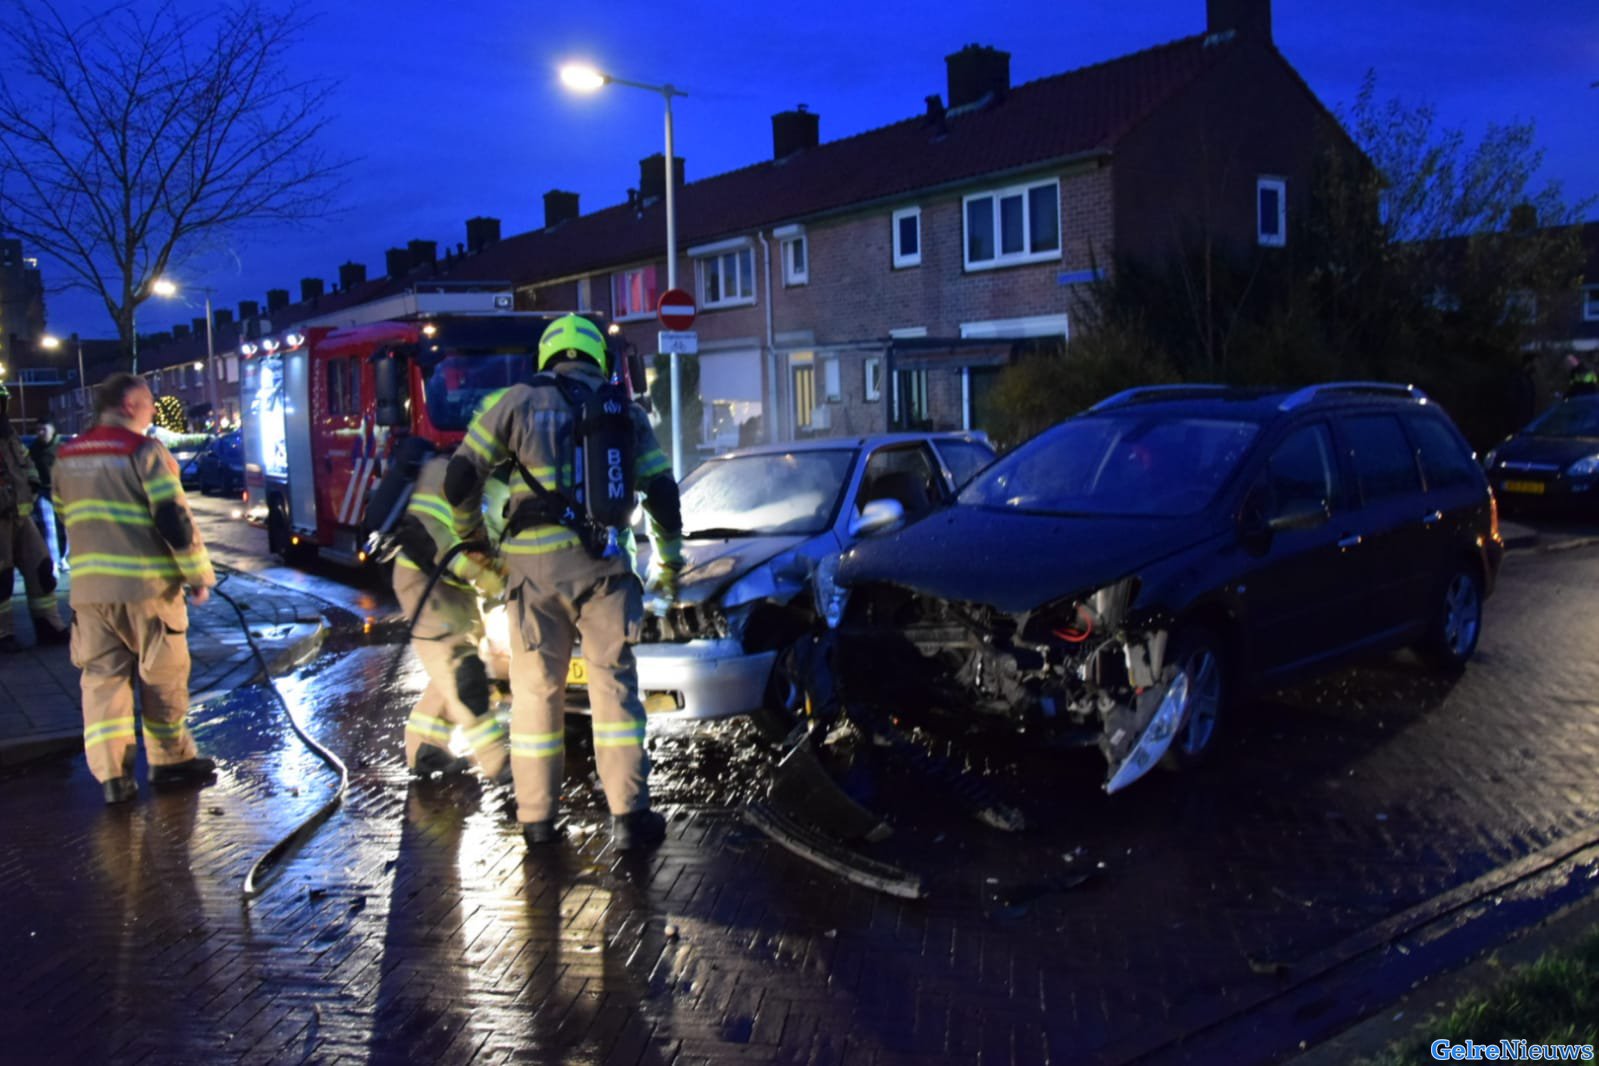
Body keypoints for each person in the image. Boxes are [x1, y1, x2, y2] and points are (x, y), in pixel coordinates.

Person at [443, 314, 684, 851]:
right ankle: (628, 819)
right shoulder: (626, 411)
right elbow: (663, 496)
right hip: (607, 573)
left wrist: (475, 539)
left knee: (534, 697)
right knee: (614, 692)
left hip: (534, 578)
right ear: (597, 355)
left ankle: (537, 822)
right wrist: (670, 562)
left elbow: (460, 478)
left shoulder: (516, 401)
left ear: (549, 355)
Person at [53, 373, 217, 805]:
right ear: (128, 405)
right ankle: (170, 762)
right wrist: (199, 575)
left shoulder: (66, 456)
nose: (152, 410)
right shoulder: (143, 451)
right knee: (162, 677)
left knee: (103, 684)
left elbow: (63, 514)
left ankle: (113, 778)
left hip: (89, 594)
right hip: (146, 589)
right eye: (148, 403)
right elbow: (173, 519)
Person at [392, 450, 511, 783]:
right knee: (464, 674)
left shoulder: (502, 481)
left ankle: (425, 747)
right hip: (425, 585)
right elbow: (429, 533)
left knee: (450, 669)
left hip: (459, 591)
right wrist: (474, 570)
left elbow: (492, 539)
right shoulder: (447, 472)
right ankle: (498, 763)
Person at [0, 385, 69, 652]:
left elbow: (26, 465)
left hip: (20, 515)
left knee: (41, 568)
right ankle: (3, 633)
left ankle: (48, 625)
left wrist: (30, 484)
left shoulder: (10, 437)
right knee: (2, 578)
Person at [28, 421, 66, 574]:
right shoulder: (34, 449)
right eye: (38, 430)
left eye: (44, 429)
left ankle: (64, 558)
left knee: (66, 528)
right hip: (44, 492)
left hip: (63, 492)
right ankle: (54, 563)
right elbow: (29, 468)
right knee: (49, 528)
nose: (40, 432)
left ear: (52, 429)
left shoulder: (61, 447)